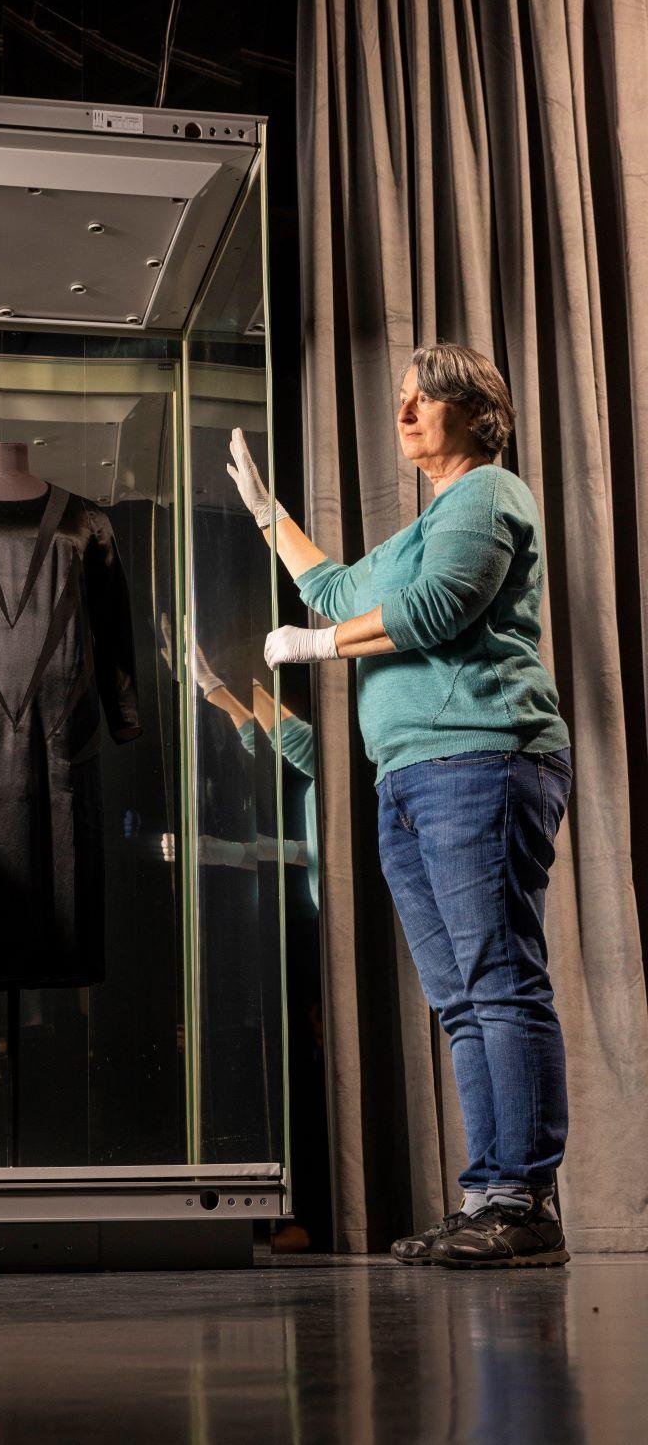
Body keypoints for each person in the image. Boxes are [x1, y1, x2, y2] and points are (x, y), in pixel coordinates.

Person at [226, 343, 573, 1269]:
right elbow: (341, 587)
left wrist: (319, 644)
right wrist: (272, 520)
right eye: (401, 401)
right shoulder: (426, 519)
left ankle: (527, 1201)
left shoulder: (489, 494)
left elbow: (438, 606)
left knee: (499, 981)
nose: (405, 411)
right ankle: (488, 1196)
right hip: (408, 778)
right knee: (460, 999)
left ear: (475, 411)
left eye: (424, 399)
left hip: (483, 762)